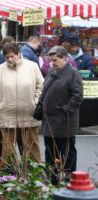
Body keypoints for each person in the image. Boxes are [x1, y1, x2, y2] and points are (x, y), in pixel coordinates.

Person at [0, 43, 44, 166]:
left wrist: (35, 102)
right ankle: (8, 174)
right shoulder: (0, 69)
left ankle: (34, 171)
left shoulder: (32, 67)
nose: (9, 59)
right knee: (7, 147)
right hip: (6, 113)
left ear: (19, 54)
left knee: (32, 145)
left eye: (12, 56)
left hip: (29, 112)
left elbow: (41, 86)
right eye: (6, 57)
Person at [42, 46, 83, 185]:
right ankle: (52, 181)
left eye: (55, 60)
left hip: (65, 121)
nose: (52, 62)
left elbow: (77, 97)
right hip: (50, 122)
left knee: (67, 154)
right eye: (51, 60)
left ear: (65, 58)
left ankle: (69, 181)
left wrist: (66, 109)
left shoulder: (73, 73)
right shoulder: (51, 71)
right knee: (50, 154)